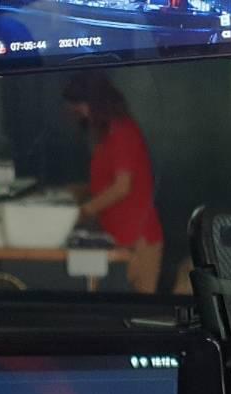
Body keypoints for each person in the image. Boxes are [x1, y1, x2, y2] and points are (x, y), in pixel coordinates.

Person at [63, 71, 163, 294]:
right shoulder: (105, 136)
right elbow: (107, 184)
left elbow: (121, 187)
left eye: (80, 106)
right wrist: (77, 192)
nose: (78, 113)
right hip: (117, 238)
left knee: (140, 309)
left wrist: (84, 211)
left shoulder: (122, 132)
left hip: (138, 240)